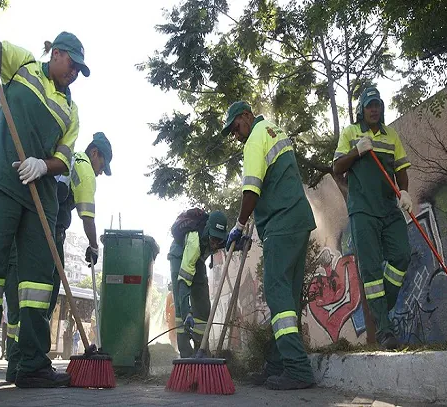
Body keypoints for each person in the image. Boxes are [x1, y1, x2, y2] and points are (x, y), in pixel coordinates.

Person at [0, 0, 90, 397]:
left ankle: (31, 364)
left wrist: (42, 166)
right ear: (57, 54)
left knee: (36, 286)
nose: (76, 73)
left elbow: (65, 158)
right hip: (1, 180)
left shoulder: (71, 109)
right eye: (73, 64)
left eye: (80, 69)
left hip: (41, 198)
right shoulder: (25, 65)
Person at [222, 101, 316, 390]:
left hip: (282, 223)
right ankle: (278, 364)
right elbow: (273, 182)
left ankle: (298, 369)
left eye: (235, 127)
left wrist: (238, 226)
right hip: (298, 219)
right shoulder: (274, 131)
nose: (236, 135)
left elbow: (251, 189)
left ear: (247, 116)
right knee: (288, 296)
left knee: (277, 294)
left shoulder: (254, 140)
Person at [4, 132, 112, 382]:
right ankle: (33, 365)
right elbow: (88, 216)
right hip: (49, 231)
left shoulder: (66, 159)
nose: (100, 172)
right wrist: (94, 246)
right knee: (44, 296)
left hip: (32, 227)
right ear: (94, 153)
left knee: (26, 299)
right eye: (102, 164)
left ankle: (17, 365)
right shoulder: (84, 168)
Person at [332, 87, 412, 350]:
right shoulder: (350, 133)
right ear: (361, 110)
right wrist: (358, 151)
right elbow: (337, 167)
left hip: (389, 208)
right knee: (371, 270)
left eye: (377, 105)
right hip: (363, 210)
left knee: (402, 254)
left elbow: (400, 168)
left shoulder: (392, 136)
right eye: (369, 106)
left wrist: (404, 192)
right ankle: (384, 330)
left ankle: (381, 307)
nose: (374, 109)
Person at [167, 210, 228, 357]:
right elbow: (184, 282)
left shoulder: (218, 239)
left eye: (219, 240)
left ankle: (201, 349)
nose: (215, 244)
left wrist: (238, 242)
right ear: (207, 232)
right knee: (182, 310)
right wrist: (187, 312)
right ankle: (187, 356)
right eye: (213, 239)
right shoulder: (194, 242)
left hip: (198, 260)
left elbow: (228, 243)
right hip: (179, 257)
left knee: (203, 305)